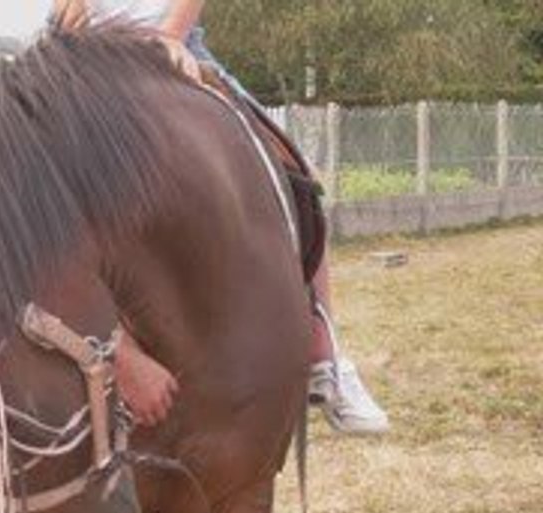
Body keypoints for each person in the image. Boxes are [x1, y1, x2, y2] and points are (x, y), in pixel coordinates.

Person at [52, 0, 390, 434]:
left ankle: (324, 353)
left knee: (292, 170)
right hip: (82, 44)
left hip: (170, 38)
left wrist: (170, 35)